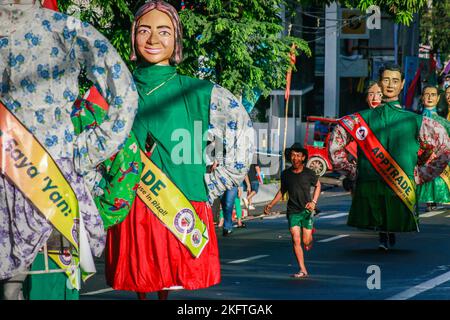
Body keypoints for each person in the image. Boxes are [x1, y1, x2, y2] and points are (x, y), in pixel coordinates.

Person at [105, 1, 253, 300]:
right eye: (144, 30)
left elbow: (242, 132)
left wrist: (214, 181)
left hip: (181, 199)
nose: (153, 40)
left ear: (176, 40)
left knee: (168, 282)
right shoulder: (114, 90)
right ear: (133, 35)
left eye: (164, 31)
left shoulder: (199, 91)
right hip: (131, 202)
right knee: (140, 279)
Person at [0, 0, 138, 299]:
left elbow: (123, 96)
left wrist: (80, 153)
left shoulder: (67, 30)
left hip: (48, 188)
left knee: (49, 290)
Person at [329, 63, 450, 251]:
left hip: (388, 185)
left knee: (384, 219)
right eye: (386, 80)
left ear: (402, 84)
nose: (390, 85)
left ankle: (385, 234)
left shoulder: (414, 120)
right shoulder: (366, 118)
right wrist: (421, 174)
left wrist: (352, 172)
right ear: (379, 83)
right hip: (386, 184)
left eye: (395, 81)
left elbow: (444, 148)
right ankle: (385, 234)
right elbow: (335, 141)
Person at [264, 143, 321, 278]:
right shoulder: (286, 174)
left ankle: (310, 231)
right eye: (293, 155)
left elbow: (318, 185)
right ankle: (302, 269)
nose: (295, 158)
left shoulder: (309, 173)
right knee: (296, 240)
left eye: (298, 155)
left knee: (306, 241)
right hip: (293, 211)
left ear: (303, 158)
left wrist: (313, 202)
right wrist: (271, 204)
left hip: (307, 211)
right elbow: (282, 191)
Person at [416, 85, 450, 211]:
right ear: (422, 97)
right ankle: (428, 201)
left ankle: (434, 200)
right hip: (421, 158)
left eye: (433, 94)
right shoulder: (414, 120)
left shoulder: (444, 123)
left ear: (438, 97)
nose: (430, 97)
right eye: (427, 94)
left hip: (438, 159)